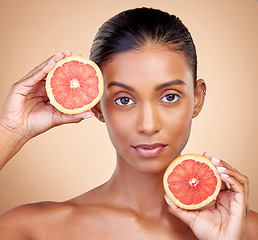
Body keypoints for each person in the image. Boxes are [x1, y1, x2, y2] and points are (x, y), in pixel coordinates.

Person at [0, 7, 257, 239]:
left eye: (169, 97)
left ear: (197, 99)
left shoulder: (248, 231)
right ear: (97, 107)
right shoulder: (30, 230)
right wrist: (9, 131)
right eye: (124, 100)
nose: (148, 125)